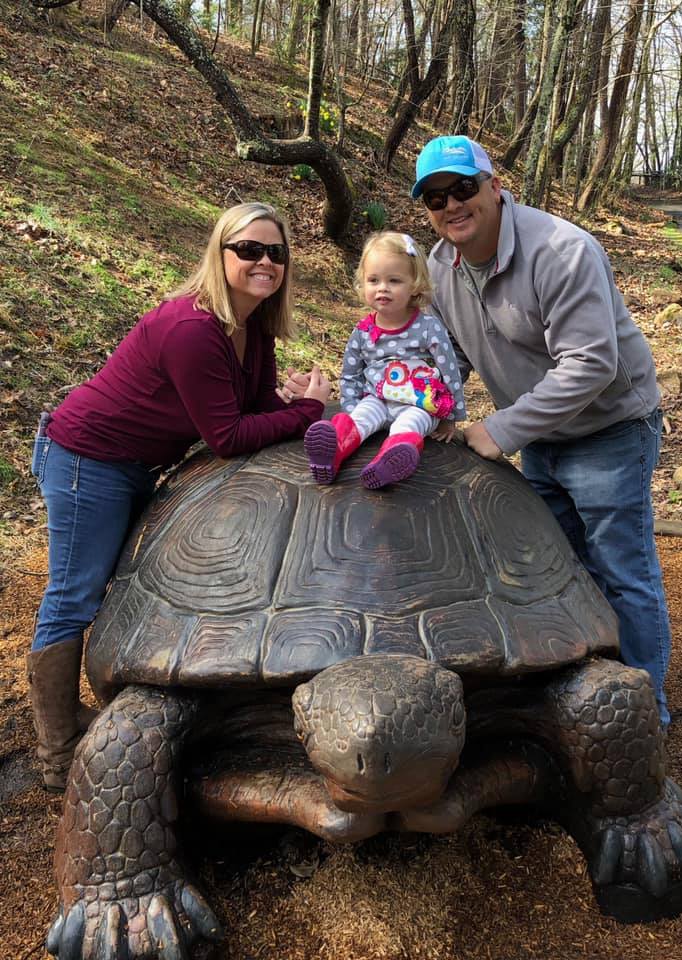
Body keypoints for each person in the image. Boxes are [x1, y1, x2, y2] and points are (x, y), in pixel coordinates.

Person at [28, 201, 331, 790]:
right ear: (221, 253)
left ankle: (69, 722)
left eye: (275, 252)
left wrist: (295, 400)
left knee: (104, 583)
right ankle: (57, 748)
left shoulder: (253, 326)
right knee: (74, 594)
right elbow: (228, 437)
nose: (265, 262)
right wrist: (307, 414)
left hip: (137, 463)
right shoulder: (193, 328)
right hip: (88, 457)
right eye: (249, 249)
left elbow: (252, 407)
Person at [409, 134, 671, 727]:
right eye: (435, 198)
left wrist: (501, 429)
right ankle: (584, 695)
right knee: (558, 571)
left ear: (495, 187)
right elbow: (451, 356)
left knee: (621, 571)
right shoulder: (440, 267)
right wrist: (412, 405)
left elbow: (591, 364)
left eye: (463, 188)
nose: (451, 205)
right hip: (539, 435)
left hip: (608, 429)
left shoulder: (561, 250)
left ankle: (643, 713)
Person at [303, 231, 466, 488]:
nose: (382, 288)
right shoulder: (363, 331)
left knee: (410, 424)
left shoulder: (429, 327)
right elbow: (350, 374)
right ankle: (333, 450)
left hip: (419, 402)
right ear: (363, 284)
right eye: (374, 280)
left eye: (394, 280)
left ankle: (390, 461)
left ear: (415, 285)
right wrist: (351, 408)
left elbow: (450, 371)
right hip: (377, 399)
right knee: (360, 419)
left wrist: (451, 416)